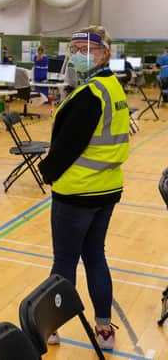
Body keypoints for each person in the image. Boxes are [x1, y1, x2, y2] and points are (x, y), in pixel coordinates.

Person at [38, 25, 129, 350]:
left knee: (64, 261)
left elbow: (68, 146)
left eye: (84, 49)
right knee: (94, 256)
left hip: (77, 192)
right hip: (106, 190)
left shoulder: (90, 95)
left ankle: (49, 327)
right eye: (73, 48)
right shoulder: (112, 88)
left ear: (104, 53)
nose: (75, 55)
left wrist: (46, 170)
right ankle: (104, 330)